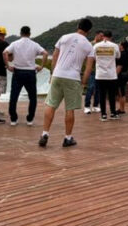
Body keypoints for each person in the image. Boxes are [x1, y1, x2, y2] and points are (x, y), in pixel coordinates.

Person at [40, 18, 95, 148]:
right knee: (69, 109)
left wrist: (53, 74)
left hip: (58, 74)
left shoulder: (64, 37)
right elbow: (88, 68)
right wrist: (83, 82)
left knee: (51, 104)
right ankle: (67, 138)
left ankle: (44, 134)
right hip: (73, 78)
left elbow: (54, 56)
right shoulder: (88, 45)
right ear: (89, 30)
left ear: (78, 26)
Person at [3, 26, 48, 126]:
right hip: (30, 73)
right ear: (29, 34)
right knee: (32, 97)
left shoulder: (15, 44)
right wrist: (41, 66)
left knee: (14, 96)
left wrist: (8, 66)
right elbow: (45, 53)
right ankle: (30, 119)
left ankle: (13, 119)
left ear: (20, 33)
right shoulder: (34, 44)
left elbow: (4, 53)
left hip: (18, 72)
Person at [92, 30, 121, 120]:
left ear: (103, 36)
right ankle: (113, 113)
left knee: (102, 95)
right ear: (111, 37)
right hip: (111, 75)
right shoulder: (115, 46)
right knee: (112, 95)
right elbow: (118, 56)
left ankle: (103, 115)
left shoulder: (96, 46)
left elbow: (93, 57)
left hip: (100, 75)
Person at [83, 30, 105, 114]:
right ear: (96, 35)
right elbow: (85, 56)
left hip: (100, 70)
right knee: (90, 88)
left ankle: (96, 105)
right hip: (91, 70)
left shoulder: (102, 45)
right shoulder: (90, 44)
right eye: (101, 35)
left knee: (98, 89)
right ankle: (87, 106)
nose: (102, 37)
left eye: (103, 36)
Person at [116, 39, 128, 115]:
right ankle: (121, 108)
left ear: (122, 46)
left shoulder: (122, 54)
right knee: (122, 92)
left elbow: (119, 66)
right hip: (125, 74)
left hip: (121, 75)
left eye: (119, 44)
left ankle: (122, 109)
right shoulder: (127, 53)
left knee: (121, 93)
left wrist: (115, 75)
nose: (118, 45)